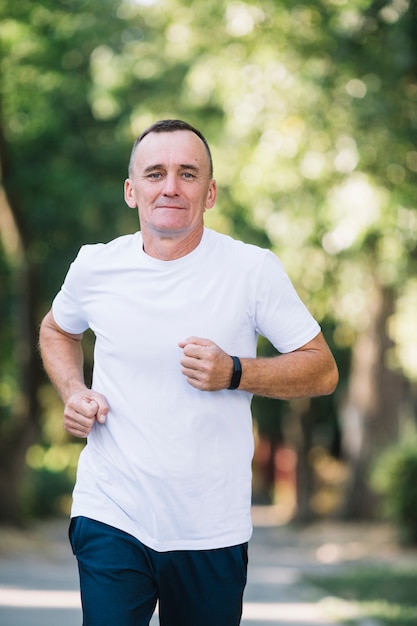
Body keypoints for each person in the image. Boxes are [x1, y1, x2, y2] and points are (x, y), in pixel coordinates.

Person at [39, 119, 338, 626]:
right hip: (112, 511)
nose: (171, 187)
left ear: (211, 191)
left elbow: (322, 370)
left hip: (210, 527)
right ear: (132, 192)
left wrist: (235, 372)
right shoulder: (95, 266)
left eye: (188, 173)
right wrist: (74, 390)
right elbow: (56, 330)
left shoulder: (252, 270)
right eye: (155, 174)